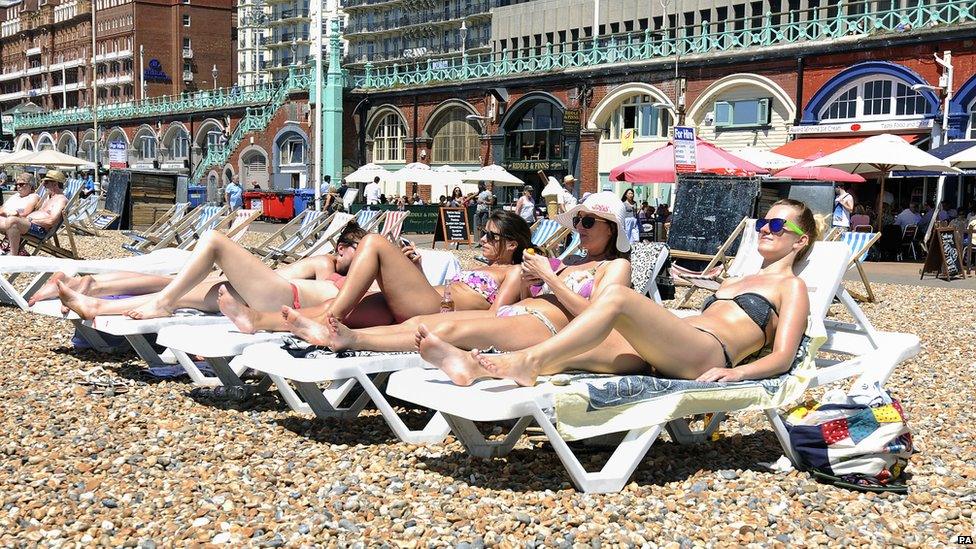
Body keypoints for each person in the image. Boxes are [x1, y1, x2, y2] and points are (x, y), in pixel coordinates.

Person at [421, 199, 817, 387]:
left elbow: (783, 357)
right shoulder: (734, 280)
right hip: (669, 347)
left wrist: (738, 372)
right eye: (765, 222)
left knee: (620, 299)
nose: (766, 229)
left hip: (708, 353)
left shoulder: (791, 286)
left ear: (800, 242)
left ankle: (525, 363)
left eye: (779, 227)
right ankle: (478, 367)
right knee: (567, 346)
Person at [287, 192, 632, 355]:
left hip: (540, 328)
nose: (581, 229)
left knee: (443, 327)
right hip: (516, 315)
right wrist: (532, 283)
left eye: (588, 222)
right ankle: (273, 320)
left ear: (613, 230)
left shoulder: (616, 266)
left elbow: (600, 317)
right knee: (417, 325)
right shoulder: (569, 263)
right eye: (579, 221)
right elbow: (520, 295)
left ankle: (349, 339)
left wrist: (551, 278)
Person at [219, 210, 538, 335]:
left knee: (372, 242)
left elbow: (499, 317)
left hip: (432, 312)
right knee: (338, 307)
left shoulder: (513, 273)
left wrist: (446, 320)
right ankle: (257, 320)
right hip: (426, 300)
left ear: (512, 244)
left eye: (490, 236)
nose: (482, 239)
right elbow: (445, 292)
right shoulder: (484, 268)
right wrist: (415, 271)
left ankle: (333, 317)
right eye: (483, 232)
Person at [56, 222, 371, 321]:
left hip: (283, 300)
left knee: (213, 242)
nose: (348, 254)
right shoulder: (331, 268)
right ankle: (98, 304)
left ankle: (98, 289)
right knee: (182, 294)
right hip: (271, 294)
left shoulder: (362, 283)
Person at [0, 170, 68, 256]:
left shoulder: (60, 199)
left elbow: (51, 221)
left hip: (40, 229)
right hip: (31, 224)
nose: (43, 185)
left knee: (12, 221)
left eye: (46, 183)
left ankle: (13, 255)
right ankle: (7, 249)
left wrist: (30, 219)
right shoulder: (49, 198)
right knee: (10, 220)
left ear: (55, 183)